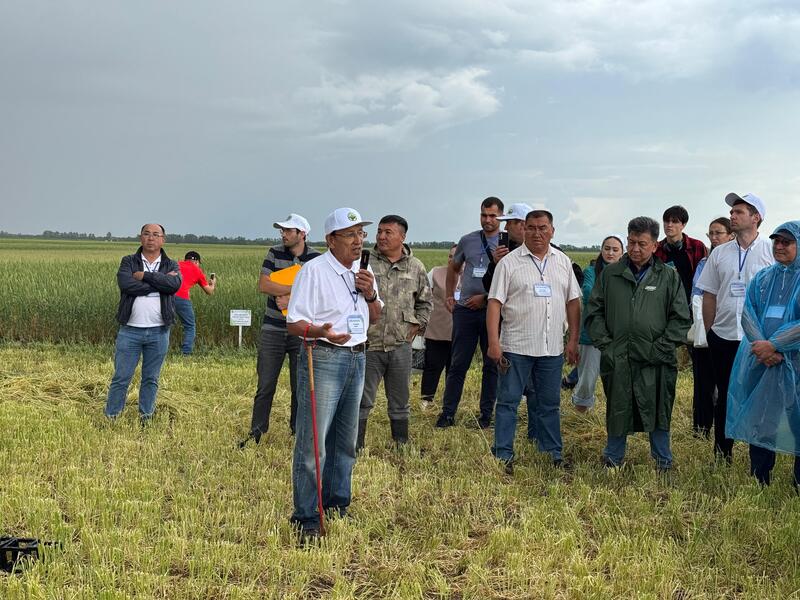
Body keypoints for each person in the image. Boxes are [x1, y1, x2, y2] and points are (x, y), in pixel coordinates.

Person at [286, 207, 382, 541]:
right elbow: (294, 323)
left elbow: (377, 316)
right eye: (350, 234)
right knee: (314, 444)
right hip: (324, 356)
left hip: (358, 356)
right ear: (331, 240)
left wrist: (370, 293)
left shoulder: (365, 271)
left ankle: (338, 504)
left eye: (361, 234)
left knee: (345, 442)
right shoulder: (313, 271)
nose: (358, 241)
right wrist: (322, 332)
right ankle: (307, 516)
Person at [585, 217, 691, 471]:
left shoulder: (668, 276)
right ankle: (613, 460)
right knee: (618, 408)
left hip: (656, 361)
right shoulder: (611, 274)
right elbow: (594, 313)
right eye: (631, 242)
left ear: (655, 245)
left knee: (658, 410)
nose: (635, 249)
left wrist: (660, 348)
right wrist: (607, 346)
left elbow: (681, 319)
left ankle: (663, 462)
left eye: (642, 244)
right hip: (618, 357)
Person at [487, 209, 581, 472]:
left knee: (549, 404)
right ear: (523, 230)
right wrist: (494, 342)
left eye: (543, 228)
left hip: (551, 348)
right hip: (516, 346)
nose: (537, 233)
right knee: (508, 401)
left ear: (552, 231)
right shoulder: (508, 263)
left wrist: (573, 340)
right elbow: (494, 304)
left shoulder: (562, 262)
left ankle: (552, 452)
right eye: (531, 228)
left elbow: (573, 303)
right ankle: (503, 453)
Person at [696, 193, 774, 462]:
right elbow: (709, 294)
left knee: (760, 399)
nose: (732, 215)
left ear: (756, 218)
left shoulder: (770, 251)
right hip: (725, 337)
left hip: (758, 341)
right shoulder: (720, 253)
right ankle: (722, 453)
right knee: (725, 398)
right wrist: (710, 332)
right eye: (732, 211)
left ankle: (759, 460)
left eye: (739, 211)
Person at [726, 222, 800, 487]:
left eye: (786, 242)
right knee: (761, 418)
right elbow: (748, 313)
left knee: (797, 418)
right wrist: (762, 346)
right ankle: (760, 477)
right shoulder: (764, 278)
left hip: (795, 364)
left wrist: (775, 345)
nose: (779, 246)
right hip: (762, 361)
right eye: (776, 241)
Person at [240, 214, 321, 447]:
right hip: (273, 328)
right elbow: (264, 285)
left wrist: (288, 296)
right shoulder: (274, 253)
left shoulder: (316, 258)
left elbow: (318, 293)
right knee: (265, 384)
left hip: (302, 330)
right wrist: (295, 289)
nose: (283, 234)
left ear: (302, 234)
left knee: (301, 385)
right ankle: (256, 432)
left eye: (288, 230)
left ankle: (298, 432)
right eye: (282, 231)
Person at [358, 215, 432, 449]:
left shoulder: (416, 266)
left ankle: (401, 443)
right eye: (379, 231)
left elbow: (426, 302)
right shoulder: (364, 262)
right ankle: (356, 445)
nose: (381, 236)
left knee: (400, 400)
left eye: (388, 232)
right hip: (369, 343)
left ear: (403, 236)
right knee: (362, 400)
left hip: (401, 344)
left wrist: (418, 324)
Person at [436, 196, 504, 429]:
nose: (487, 220)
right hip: (465, 310)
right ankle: (448, 413)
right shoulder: (468, 240)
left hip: (492, 312)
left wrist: (485, 300)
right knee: (458, 363)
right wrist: (449, 295)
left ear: (501, 217)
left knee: (491, 363)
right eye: (484, 215)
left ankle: (486, 415)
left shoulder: (507, 245)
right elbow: (454, 268)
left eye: (493, 216)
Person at [104, 224, 181, 420]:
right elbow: (126, 285)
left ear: (163, 239)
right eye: (147, 234)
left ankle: (146, 416)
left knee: (151, 378)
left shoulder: (171, 264)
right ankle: (112, 416)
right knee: (121, 377)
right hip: (130, 330)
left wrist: (145, 276)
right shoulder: (129, 261)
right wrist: (159, 283)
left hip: (159, 331)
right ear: (141, 238)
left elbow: (173, 286)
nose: (151, 238)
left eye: (156, 235)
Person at [689, 217, 734, 436]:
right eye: (711, 234)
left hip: (733, 333)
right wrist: (708, 327)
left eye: (719, 233)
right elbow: (698, 295)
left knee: (727, 387)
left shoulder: (741, 260)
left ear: (731, 235)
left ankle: (731, 429)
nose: (714, 238)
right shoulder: (704, 264)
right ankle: (701, 428)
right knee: (704, 383)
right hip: (709, 330)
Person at [571, 235, 624, 413]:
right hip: (591, 334)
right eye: (607, 248)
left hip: (618, 335)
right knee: (587, 378)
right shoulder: (591, 271)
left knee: (618, 379)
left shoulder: (626, 273)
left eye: (615, 249)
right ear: (601, 250)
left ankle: (616, 415)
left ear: (622, 253)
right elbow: (587, 293)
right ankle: (580, 415)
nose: (610, 253)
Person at [420, 244, 459, 411]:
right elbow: (422, 295)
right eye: (450, 256)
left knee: (455, 370)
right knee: (432, 367)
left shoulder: (471, 276)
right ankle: (426, 400)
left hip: (461, 333)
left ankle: (450, 403)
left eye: (456, 257)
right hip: (437, 330)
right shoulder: (435, 272)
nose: (452, 260)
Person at [655, 205, 708, 305]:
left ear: (683, 225)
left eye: (674, 221)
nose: (669, 225)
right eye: (666, 221)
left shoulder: (696, 246)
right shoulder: (657, 249)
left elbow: (704, 277)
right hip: (665, 303)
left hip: (691, 302)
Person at [174, 251, 216, 355]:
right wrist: (213, 284)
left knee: (164, 323)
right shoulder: (197, 270)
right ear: (196, 261)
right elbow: (209, 292)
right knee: (189, 326)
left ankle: (159, 351)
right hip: (182, 298)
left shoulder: (175, 264)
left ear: (185, 259)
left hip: (165, 296)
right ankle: (186, 353)